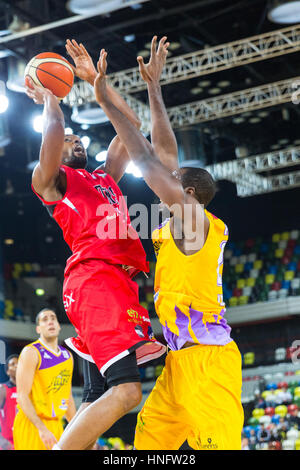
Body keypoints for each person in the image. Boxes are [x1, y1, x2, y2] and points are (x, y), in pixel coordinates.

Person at [94, 36, 244, 450]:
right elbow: (163, 152)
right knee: (148, 444)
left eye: (172, 183)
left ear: (190, 195)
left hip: (209, 363)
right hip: (179, 361)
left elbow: (147, 160)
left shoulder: (197, 222)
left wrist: (106, 100)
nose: (162, 182)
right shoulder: (177, 221)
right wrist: (154, 89)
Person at [25, 39, 165, 450]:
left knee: (97, 396)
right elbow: (51, 133)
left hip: (117, 283)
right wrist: (51, 102)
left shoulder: (103, 177)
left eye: (78, 138)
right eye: (69, 140)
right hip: (94, 280)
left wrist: (98, 85)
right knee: (126, 394)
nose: (75, 141)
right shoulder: (52, 183)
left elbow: (132, 125)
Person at [13, 308, 76, 450]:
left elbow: (68, 398)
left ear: (59, 326)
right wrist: (42, 429)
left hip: (56, 425)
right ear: (38, 329)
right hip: (32, 424)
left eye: (53, 318)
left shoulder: (68, 356)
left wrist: (78, 430)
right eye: (45, 320)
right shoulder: (31, 352)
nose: (50, 322)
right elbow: (22, 396)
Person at [0, 354, 18, 450]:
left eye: (19, 363)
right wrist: (1, 440)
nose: (17, 366)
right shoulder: (3, 389)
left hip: (25, 442)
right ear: (7, 371)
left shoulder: (30, 391)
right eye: (13, 364)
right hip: (8, 444)